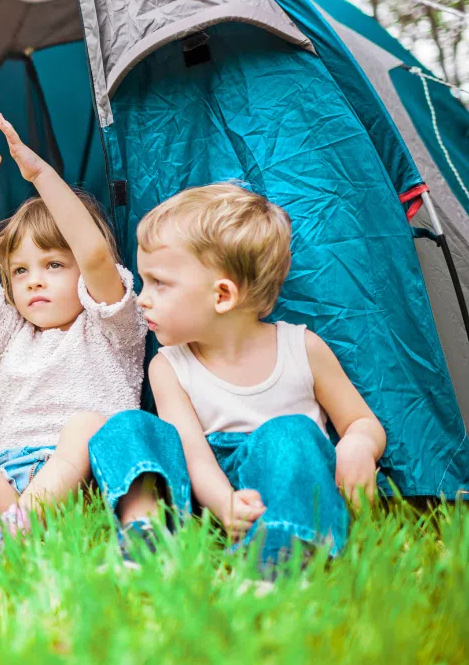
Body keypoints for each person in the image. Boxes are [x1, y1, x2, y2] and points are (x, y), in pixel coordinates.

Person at [88, 184, 385, 571]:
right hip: (207, 487)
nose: (141, 298)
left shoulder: (302, 348)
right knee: (125, 426)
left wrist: (358, 445)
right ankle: (145, 535)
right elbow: (192, 452)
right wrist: (223, 502)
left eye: (159, 283)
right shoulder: (168, 365)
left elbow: (362, 421)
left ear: (223, 295)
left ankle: (281, 549)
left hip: (281, 482)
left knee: (290, 433)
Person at [0, 111, 146, 560]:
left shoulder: (111, 327)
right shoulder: (13, 336)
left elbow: (94, 254)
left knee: (87, 425)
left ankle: (10, 536)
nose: (34, 281)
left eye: (53, 265)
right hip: (12, 489)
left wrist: (39, 174)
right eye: (21, 271)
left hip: (83, 486)